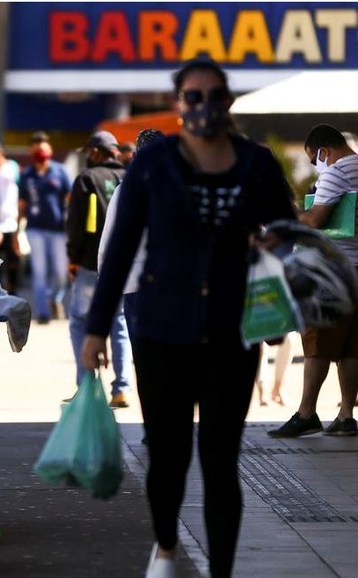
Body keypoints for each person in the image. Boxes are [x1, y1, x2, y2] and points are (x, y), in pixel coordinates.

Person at [80, 58, 297, 578]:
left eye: (214, 95)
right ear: (180, 104)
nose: (204, 106)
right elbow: (121, 248)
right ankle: (167, 543)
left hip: (231, 331)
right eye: (193, 97)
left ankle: (221, 570)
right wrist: (95, 328)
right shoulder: (153, 167)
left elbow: (289, 225)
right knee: (169, 460)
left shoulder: (256, 163)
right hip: (161, 329)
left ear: (228, 99)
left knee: (221, 462)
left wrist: (272, 240)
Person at [269, 124, 358, 437]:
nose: (316, 166)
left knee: (317, 344)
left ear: (324, 150)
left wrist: (287, 209)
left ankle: (307, 413)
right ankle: (347, 414)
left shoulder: (336, 172)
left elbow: (314, 220)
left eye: (313, 159)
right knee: (350, 348)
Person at [66, 130, 131, 407]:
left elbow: (78, 226)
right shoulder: (130, 179)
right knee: (118, 324)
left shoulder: (86, 179)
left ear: (95, 152)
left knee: (81, 322)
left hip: (90, 264)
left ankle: (87, 387)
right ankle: (122, 388)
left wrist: (73, 258)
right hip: (125, 267)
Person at [97, 128, 165, 348]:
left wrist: (105, 285)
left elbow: (107, 245)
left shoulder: (125, 190)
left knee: (144, 360)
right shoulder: (181, 189)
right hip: (170, 285)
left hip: (135, 284)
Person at [19, 131, 72, 323]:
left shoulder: (60, 171)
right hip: (35, 228)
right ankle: (42, 312)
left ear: (49, 150)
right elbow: (22, 204)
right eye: (36, 149)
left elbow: (70, 197)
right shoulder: (27, 175)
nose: (39, 152)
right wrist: (18, 231)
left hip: (58, 229)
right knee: (39, 271)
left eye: (42, 148)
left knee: (60, 271)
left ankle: (54, 298)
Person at [0, 140, 22, 293]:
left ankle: (13, 292)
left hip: (12, 222)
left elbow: (20, 192)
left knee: (13, 262)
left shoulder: (12, 167)